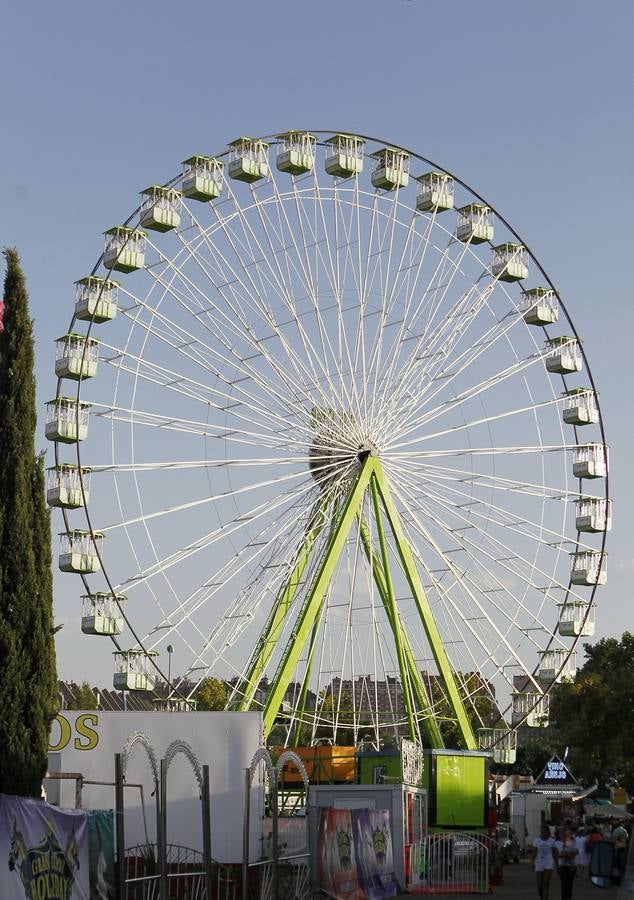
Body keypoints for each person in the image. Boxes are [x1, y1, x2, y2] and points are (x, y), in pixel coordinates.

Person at [532, 824, 556, 900]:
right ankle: (543, 897)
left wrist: (557, 864)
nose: (543, 833)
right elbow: (534, 852)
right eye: (542, 832)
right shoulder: (537, 840)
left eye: (545, 832)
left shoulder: (552, 841)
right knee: (539, 885)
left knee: (545, 884)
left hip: (549, 863)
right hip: (539, 863)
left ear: (548, 832)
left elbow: (554, 853)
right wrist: (532, 862)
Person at [554, 825, 578, 900]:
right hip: (562, 866)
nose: (562, 834)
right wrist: (557, 866)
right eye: (561, 833)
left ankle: (569, 897)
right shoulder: (556, 843)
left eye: (564, 832)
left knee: (570, 884)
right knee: (564, 884)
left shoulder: (572, 841)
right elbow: (556, 855)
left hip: (571, 866)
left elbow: (577, 852)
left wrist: (568, 854)